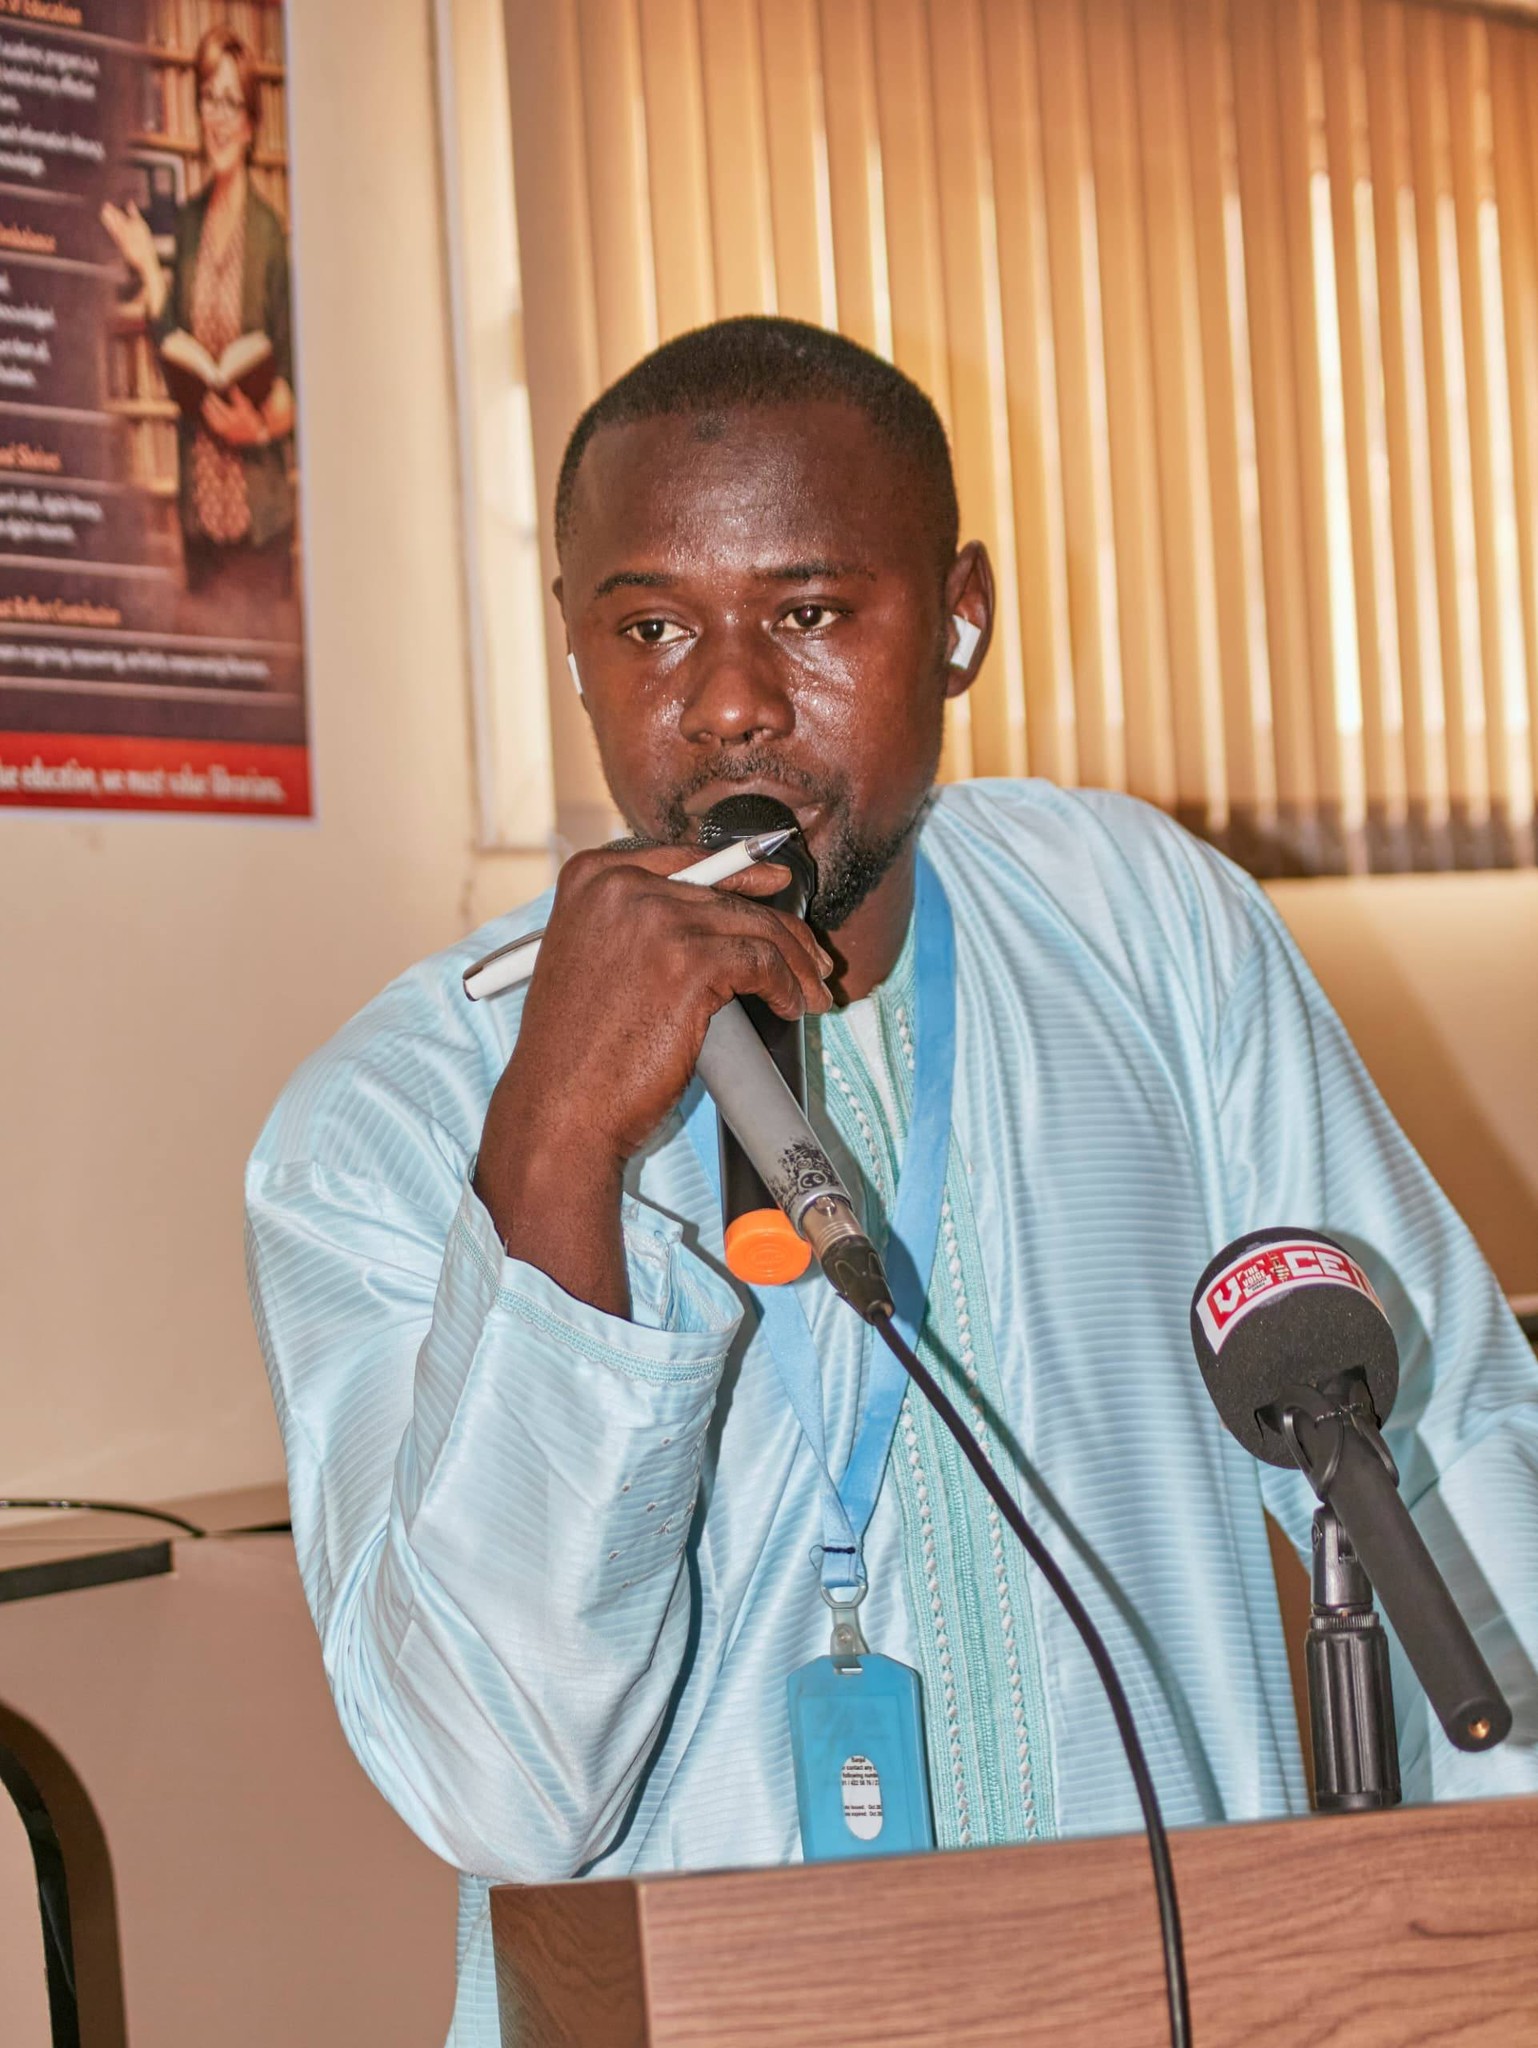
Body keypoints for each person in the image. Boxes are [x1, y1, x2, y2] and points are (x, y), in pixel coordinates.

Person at [246, 318, 1538, 2045]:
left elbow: (1439, 1449)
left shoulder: (1141, 925)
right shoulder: (386, 1118)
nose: (727, 701)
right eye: (650, 628)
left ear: (957, 621)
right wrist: (554, 1151)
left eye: (806, 613)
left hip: (1173, 1988)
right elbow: (498, 1788)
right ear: (573, 649)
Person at [102, 27, 296, 607]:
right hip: (200, 516)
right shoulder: (186, 226)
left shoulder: (270, 234)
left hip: (260, 518)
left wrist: (255, 428)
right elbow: (174, 356)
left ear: (252, 122)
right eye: (209, 98)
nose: (218, 118)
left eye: (231, 102)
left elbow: (293, 379)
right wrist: (149, 270)